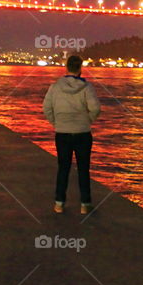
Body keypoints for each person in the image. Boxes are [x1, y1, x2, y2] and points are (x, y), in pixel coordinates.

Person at [43, 55, 100, 214]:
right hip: (82, 133)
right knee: (83, 168)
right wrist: (87, 120)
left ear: (66, 68)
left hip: (62, 133)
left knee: (63, 168)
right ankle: (85, 204)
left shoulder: (54, 87)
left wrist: (56, 123)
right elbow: (95, 108)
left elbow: (46, 108)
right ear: (80, 68)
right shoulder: (87, 87)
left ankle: (59, 203)